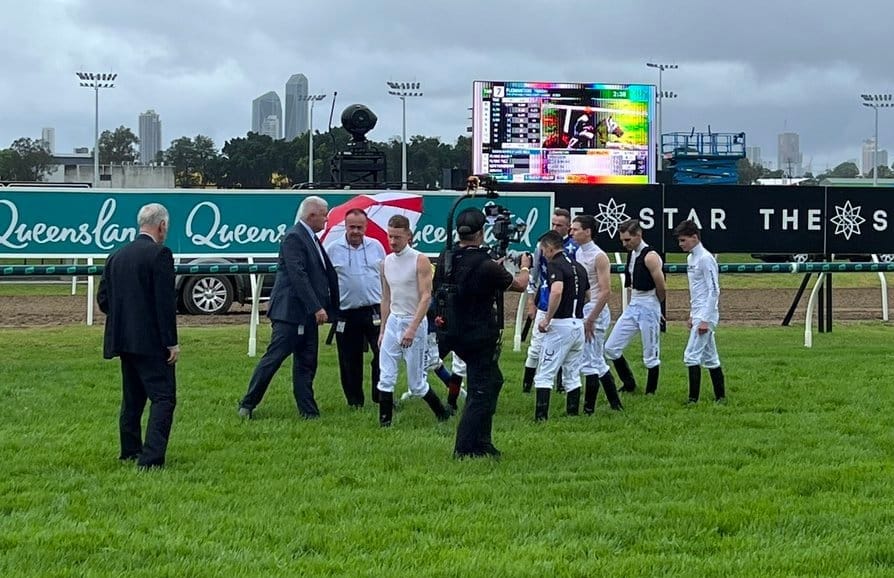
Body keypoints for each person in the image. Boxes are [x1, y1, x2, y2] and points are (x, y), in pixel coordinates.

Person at [434, 208, 532, 458]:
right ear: (480, 233)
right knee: (480, 390)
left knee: (493, 382)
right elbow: (519, 285)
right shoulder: (486, 265)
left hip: (452, 331)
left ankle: (483, 441)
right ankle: (466, 446)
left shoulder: (446, 258)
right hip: (478, 334)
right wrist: (524, 267)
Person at [238, 196, 339, 420]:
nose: (326, 219)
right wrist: (316, 307)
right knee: (274, 359)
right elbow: (298, 276)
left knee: (307, 362)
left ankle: (308, 411)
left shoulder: (312, 238)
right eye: (324, 214)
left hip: (308, 315)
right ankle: (248, 403)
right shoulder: (294, 237)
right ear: (311, 215)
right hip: (290, 314)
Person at [97, 203, 179, 470]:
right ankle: (151, 458)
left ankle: (130, 450)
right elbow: (165, 305)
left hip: (123, 339)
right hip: (152, 342)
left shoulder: (116, 256)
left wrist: (126, 319)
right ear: (161, 225)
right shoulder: (160, 255)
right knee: (163, 397)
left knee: (132, 398)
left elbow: (103, 300)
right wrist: (171, 342)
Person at [377, 214, 451, 427]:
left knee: (416, 383)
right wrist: (383, 329)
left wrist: (412, 328)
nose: (392, 242)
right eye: (390, 236)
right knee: (386, 376)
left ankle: (443, 415)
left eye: (397, 237)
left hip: (414, 322)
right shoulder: (386, 263)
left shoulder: (419, 260)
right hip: (394, 320)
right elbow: (386, 297)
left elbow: (426, 296)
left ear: (408, 236)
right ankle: (385, 423)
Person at [324, 208, 386, 408]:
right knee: (349, 360)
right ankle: (355, 402)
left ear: (366, 227)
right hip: (346, 313)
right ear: (345, 226)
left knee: (382, 354)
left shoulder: (376, 246)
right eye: (352, 227)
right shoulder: (333, 249)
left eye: (360, 227)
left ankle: (380, 396)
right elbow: (327, 282)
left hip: (374, 310)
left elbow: (385, 278)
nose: (356, 231)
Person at [604, 219, 666, 395]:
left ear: (639, 236)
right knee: (611, 347)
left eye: (627, 240)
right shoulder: (633, 254)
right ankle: (629, 383)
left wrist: (657, 307)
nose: (624, 244)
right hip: (634, 304)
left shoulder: (651, 256)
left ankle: (650, 392)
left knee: (650, 354)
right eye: (623, 240)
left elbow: (661, 285)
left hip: (648, 303)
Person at [532, 230, 589, 420]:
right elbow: (587, 296)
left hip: (560, 325)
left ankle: (541, 418)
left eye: (543, 251)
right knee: (572, 373)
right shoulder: (579, 266)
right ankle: (573, 414)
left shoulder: (555, 265)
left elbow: (556, 291)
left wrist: (547, 318)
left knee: (544, 373)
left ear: (549, 248)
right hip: (577, 324)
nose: (543, 255)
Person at [522, 207, 578, 393]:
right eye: (553, 223)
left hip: (568, 305)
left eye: (559, 225)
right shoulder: (542, 246)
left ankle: (561, 385)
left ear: (568, 227)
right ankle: (526, 387)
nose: (555, 227)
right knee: (536, 347)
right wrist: (531, 302)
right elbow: (534, 276)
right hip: (545, 300)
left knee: (565, 349)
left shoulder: (575, 247)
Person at [570, 215, 623, 413]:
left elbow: (606, 290)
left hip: (596, 311)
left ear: (588, 231)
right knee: (596, 359)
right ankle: (615, 404)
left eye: (576, 229)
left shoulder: (599, 256)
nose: (572, 233)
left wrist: (591, 317)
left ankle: (589, 408)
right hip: (584, 308)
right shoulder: (578, 253)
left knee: (590, 360)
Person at [674, 219, 727, 404]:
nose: (680, 244)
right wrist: (691, 314)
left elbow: (714, 290)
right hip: (697, 313)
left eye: (683, 240)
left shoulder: (705, 258)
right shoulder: (691, 258)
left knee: (691, 356)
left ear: (694, 237)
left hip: (706, 315)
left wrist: (704, 319)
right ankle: (720, 397)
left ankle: (692, 399)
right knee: (711, 358)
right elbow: (696, 291)